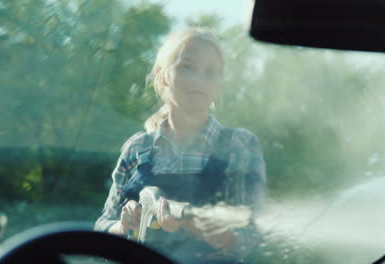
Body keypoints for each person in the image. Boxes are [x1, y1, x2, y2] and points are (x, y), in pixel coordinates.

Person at [95, 27, 266, 264]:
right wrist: (124, 225)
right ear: (162, 74)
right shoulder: (137, 149)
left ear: (219, 83)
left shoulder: (240, 145)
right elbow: (103, 228)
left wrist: (195, 224)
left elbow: (252, 237)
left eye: (211, 72)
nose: (200, 80)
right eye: (187, 67)